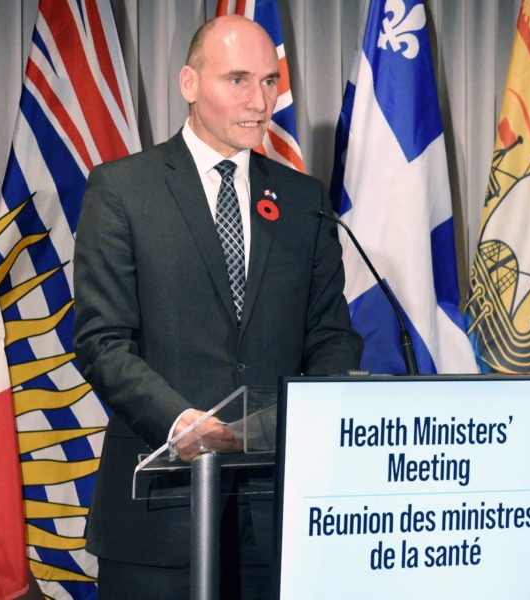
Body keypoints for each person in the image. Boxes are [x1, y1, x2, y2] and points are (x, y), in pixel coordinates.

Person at [73, 15, 362, 600]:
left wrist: (325, 415)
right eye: (238, 79)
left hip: (278, 524)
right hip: (158, 520)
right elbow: (102, 342)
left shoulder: (304, 201)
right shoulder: (123, 190)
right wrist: (182, 423)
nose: (260, 101)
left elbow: (330, 336)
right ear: (188, 83)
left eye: (269, 81)